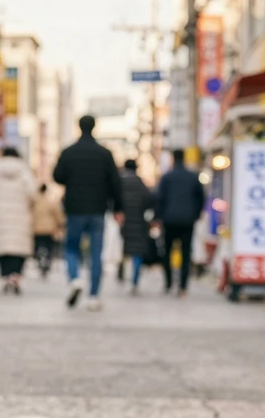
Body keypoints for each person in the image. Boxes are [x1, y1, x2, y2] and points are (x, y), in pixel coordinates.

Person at [52, 114, 123, 311]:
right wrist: (118, 208)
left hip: (74, 209)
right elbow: (115, 183)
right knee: (96, 253)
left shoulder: (69, 152)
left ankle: (75, 278)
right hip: (98, 210)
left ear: (78, 127)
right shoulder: (104, 154)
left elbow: (57, 176)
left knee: (71, 248)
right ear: (94, 128)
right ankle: (93, 296)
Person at [0, 148, 36, 294]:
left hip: (0, 214)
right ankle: (16, 275)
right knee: (18, 248)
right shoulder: (25, 172)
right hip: (21, 215)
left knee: (3, 248)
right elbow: (32, 194)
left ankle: (6, 276)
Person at [155, 149, 206, 297]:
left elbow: (160, 199)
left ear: (172, 158)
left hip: (169, 220)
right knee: (185, 253)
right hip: (187, 221)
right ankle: (183, 286)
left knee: (167, 252)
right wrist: (196, 215)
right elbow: (200, 198)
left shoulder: (166, 177)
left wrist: (158, 217)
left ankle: (168, 283)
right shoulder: (192, 176)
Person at [118, 159, 155, 295]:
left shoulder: (119, 183)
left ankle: (120, 272)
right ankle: (134, 281)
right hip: (139, 222)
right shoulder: (141, 184)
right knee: (137, 253)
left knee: (121, 249)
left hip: (123, 222)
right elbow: (150, 200)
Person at [31, 182, 64, 279]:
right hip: (49, 230)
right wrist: (61, 224)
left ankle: (40, 260)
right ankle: (46, 264)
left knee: (37, 247)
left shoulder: (34, 202)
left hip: (36, 229)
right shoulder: (51, 201)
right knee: (49, 248)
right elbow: (58, 214)